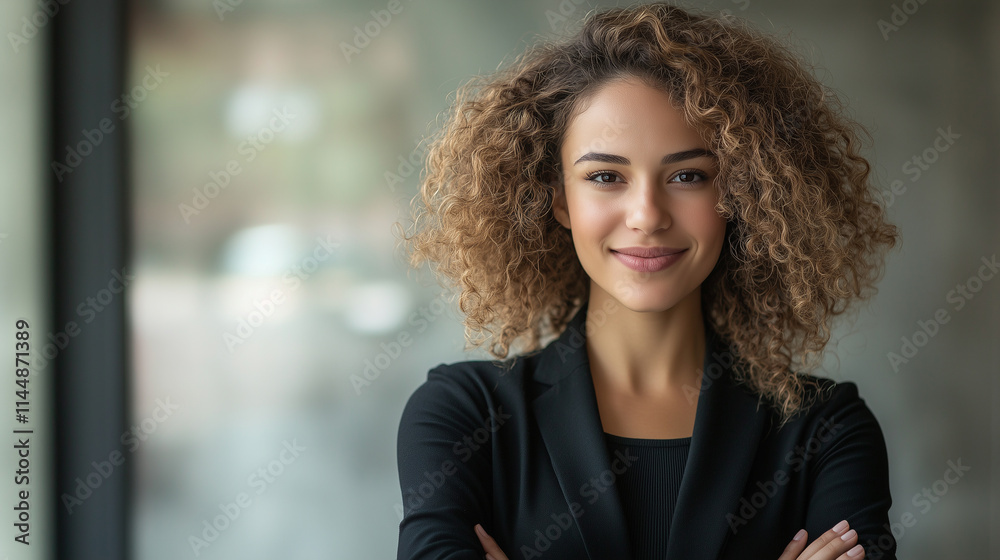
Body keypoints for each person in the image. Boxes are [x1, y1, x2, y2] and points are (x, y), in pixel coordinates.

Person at [393, 3, 900, 559]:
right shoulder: (464, 416)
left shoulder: (824, 431)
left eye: (688, 176)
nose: (647, 215)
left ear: (743, 194)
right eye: (605, 176)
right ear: (558, 198)